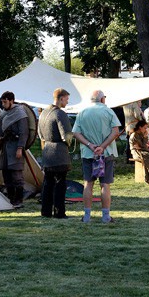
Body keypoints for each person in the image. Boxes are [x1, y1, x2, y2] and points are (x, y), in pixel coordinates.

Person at [72, 90, 121, 223]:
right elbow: (115, 132)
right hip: (106, 153)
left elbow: (76, 132)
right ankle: (105, 216)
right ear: (102, 99)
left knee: (88, 184)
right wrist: (103, 146)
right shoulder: (108, 111)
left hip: (89, 153)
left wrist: (90, 145)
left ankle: (87, 216)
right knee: (105, 185)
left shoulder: (82, 112)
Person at [38, 88, 73, 219]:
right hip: (59, 152)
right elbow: (67, 136)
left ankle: (45, 212)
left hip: (47, 150)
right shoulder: (60, 114)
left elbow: (40, 135)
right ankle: (59, 213)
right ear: (61, 98)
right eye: (67, 99)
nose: (67, 102)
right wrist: (69, 144)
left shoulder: (43, 113)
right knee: (60, 184)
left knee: (47, 183)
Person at [0, 91, 29, 208]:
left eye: (5, 102)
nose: (3, 104)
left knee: (16, 175)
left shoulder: (20, 113)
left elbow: (23, 133)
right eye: (2, 102)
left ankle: (18, 200)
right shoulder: (3, 114)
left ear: (11, 101)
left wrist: (20, 148)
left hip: (15, 147)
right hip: (5, 147)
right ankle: (10, 199)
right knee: (6, 174)